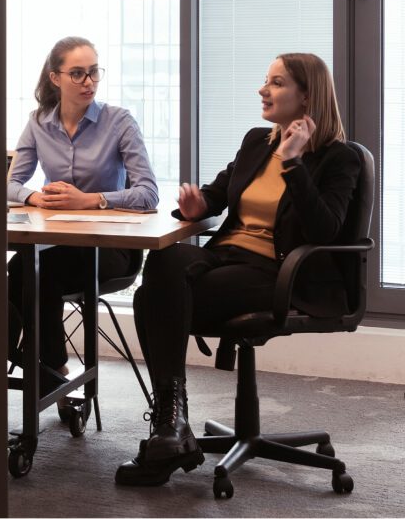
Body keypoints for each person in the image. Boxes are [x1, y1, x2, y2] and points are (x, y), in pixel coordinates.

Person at [116, 53, 362, 486]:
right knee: (163, 262)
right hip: (227, 255)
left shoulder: (338, 159)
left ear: (307, 96)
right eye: (265, 80)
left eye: (277, 83)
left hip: (280, 271)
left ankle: (169, 430)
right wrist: (199, 205)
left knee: (151, 299)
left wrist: (294, 162)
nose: (263, 90)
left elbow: (325, 227)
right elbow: (218, 192)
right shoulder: (256, 142)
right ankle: (171, 427)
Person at [5, 37, 159, 423]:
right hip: (57, 245)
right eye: (78, 73)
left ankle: (48, 371)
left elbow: (148, 194)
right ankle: (31, 366)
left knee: (37, 272)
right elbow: (7, 183)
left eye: (93, 71)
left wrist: (90, 200)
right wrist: (34, 198)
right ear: (55, 77)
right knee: (19, 271)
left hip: (110, 250)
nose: (88, 81)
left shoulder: (118, 121)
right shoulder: (39, 122)